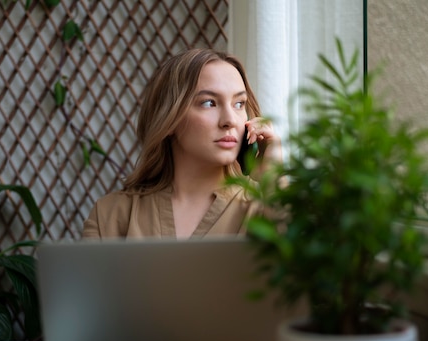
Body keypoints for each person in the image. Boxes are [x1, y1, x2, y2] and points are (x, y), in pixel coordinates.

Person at [82, 48, 281, 239]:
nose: (230, 120)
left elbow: (302, 263)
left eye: (239, 104)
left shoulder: (264, 208)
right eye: (209, 103)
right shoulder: (109, 216)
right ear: (169, 119)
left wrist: (273, 174)